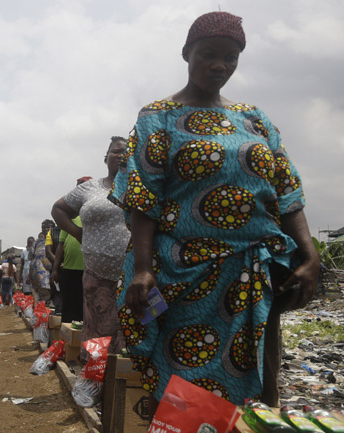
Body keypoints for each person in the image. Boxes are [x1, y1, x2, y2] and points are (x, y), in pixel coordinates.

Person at [108, 11, 319, 410]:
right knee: (186, 382)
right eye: (209, 54)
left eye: (230, 57)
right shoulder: (158, 118)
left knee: (258, 380)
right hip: (186, 275)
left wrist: (310, 256)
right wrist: (143, 269)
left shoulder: (254, 119)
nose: (220, 65)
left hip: (254, 274)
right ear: (187, 53)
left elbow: (287, 191)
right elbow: (143, 198)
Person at [52, 137, 130, 356]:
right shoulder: (90, 188)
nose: (120, 155)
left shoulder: (143, 186)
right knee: (98, 327)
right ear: (106, 158)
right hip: (97, 273)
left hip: (136, 273)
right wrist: (78, 234)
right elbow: (58, 209)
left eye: (126, 151)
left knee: (133, 329)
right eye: (115, 151)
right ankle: (95, 371)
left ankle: (126, 372)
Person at [50, 215, 85, 324]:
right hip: (69, 269)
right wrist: (55, 269)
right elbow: (60, 245)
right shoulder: (69, 220)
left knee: (84, 305)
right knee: (68, 305)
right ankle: (67, 332)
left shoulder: (91, 218)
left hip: (88, 271)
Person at [30, 219, 54, 304]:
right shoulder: (38, 241)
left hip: (51, 268)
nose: (45, 229)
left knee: (50, 288)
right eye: (43, 227)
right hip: (38, 269)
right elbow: (32, 255)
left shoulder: (55, 238)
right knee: (40, 290)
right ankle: (43, 307)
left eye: (48, 227)